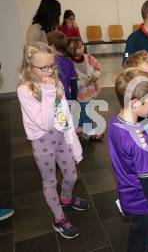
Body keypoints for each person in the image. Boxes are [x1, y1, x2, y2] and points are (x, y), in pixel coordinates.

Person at [17, 43, 88, 239]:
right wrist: (49, 93)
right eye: (43, 67)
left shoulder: (55, 84)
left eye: (51, 66)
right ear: (29, 66)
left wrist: (74, 143)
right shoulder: (25, 91)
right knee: (50, 182)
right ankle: (59, 218)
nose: (49, 71)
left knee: (72, 176)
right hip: (42, 142)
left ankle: (65, 198)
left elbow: (63, 116)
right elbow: (45, 124)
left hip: (60, 137)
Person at [108, 68, 148, 251]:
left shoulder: (115, 122)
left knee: (137, 236)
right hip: (143, 202)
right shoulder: (139, 141)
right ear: (134, 102)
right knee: (143, 242)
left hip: (128, 195)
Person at [66, 37, 103, 141]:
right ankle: (87, 131)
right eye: (79, 47)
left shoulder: (89, 58)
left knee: (86, 110)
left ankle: (80, 130)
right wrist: (81, 83)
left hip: (91, 92)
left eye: (82, 45)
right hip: (78, 94)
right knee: (83, 111)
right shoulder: (69, 63)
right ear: (72, 49)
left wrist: (96, 75)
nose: (83, 48)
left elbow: (98, 67)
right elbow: (68, 81)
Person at [46, 31, 78, 100]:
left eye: (46, 44)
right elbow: (73, 83)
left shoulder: (49, 62)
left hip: (54, 99)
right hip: (67, 99)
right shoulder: (69, 61)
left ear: (52, 46)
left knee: (58, 110)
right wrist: (74, 100)